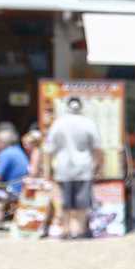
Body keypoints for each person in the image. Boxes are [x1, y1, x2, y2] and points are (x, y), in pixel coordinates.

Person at [45, 96, 103, 238]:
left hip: (63, 168)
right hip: (84, 168)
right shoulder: (88, 123)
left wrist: (48, 170)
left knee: (65, 201)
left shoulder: (58, 123)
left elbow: (49, 149)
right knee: (82, 202)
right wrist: (98, 167)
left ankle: (66, 230)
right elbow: (97, 148)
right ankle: (79, 230)